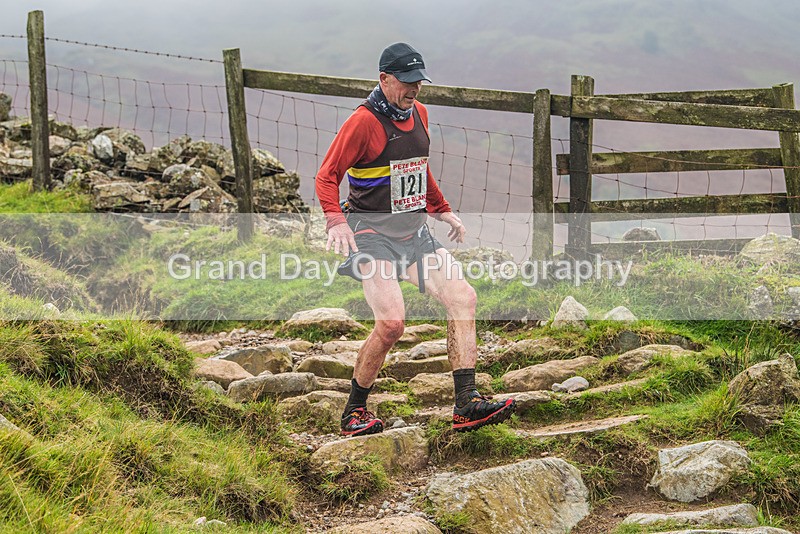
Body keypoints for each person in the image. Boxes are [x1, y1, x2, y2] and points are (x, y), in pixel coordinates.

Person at [315, 42, 516, 437]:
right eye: (406, 82)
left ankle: (466, 403)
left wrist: (441, 208)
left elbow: (417, 170)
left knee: (463, 297)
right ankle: (353, 412)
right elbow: (326, 175)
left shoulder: (419, 113)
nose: (414, 89)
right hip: (370, 235)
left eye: (419, 82)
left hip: (414, 234)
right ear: (384, 79)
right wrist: (335, 221)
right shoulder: (363, 123)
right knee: (391, 324)